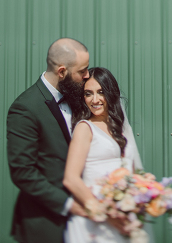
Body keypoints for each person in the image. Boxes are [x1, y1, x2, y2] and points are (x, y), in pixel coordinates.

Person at [7, 38, 91, 243]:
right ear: (62, 72)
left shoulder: (80, 96)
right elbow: (23, 172)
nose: (87, 75)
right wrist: (68, 205)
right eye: (82, 71)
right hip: (46, 224)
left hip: (86, 223)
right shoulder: (25, 108)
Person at [63, 67, 146, 243]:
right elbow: (71, 179)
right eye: (88, 94)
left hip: (123, 218)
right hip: (94, 221)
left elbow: (133, 175)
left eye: (100, 92)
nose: (95, 100)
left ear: (110, 93)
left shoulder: (122, 129)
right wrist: (106, 213)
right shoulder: (84, 128)